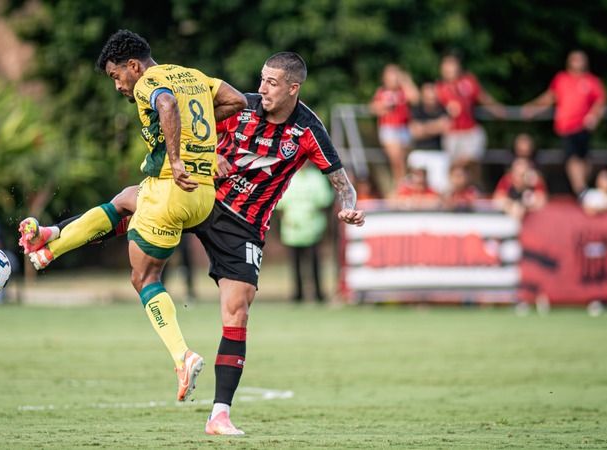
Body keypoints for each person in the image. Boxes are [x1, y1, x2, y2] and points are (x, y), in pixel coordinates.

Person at [19, 52, 365, 435]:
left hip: (245, 227)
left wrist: (349, 208)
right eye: (262, 78)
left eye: (271, 82)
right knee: (133, 199)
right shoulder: (240, 105)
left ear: (293, 88)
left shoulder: (309, 130)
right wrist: (211, 155)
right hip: (204, 199)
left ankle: (220, 414)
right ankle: (53, 238)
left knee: (237, 311)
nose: (261, 87)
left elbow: (342, 185)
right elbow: (194, 131)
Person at [23, 30, 248, 407]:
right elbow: (237, 100)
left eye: (116, 76)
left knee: (144, 277)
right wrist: (200, 141)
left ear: (133, 65)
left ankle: (182, 357)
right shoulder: (192, 74)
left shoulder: (148, 81)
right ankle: (50, 245)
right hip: (203, 193)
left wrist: (176, 160)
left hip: (171, 190)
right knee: (127, 198)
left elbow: (168, 106)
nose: (118, 86)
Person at [523, 50, 607, 196]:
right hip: (567, 127)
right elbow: (550, 97)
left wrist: (594, 116)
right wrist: (533, 108)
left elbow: (600, 101)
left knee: (583, 158)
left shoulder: (591, 81)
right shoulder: (561, 79)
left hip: (583, 127)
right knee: (572, 159)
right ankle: (581, 191)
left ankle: (583, 188)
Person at [276, 163, 333, 302]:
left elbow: (324, 201)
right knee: (295, 264)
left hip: (312, 227)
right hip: (292, 229)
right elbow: (280, 205)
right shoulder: (287, 175)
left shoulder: (317, 177)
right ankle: (298, 294)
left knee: (315, 263)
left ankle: (319, 293)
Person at [435, 54, 506, 166]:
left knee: (472, 163)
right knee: (456, 166)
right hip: (452, 133)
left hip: (471, 130)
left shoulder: (468, 81)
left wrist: (497, 109)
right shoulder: (439, 88)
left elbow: (482, 97)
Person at [370, 64, 419, 184]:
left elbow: (415, 98)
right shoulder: (382, 92)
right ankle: (400, 185)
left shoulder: (403, 91)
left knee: (404, 160)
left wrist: (406, 80)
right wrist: (384, 106)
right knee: (396, 160)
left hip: (403, 128)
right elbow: (373, 108)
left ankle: (403, 184)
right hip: (389, 129)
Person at [409, 82, 451, 150]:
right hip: (419, 151)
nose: (431, 100)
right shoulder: (417, 110)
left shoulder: (442, 109)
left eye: (433, 98)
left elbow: (446, 128)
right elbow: (415, 133)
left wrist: (423, 128)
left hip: (438, 152)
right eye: (428, 98)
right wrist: (437, 126)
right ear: (422, 97)